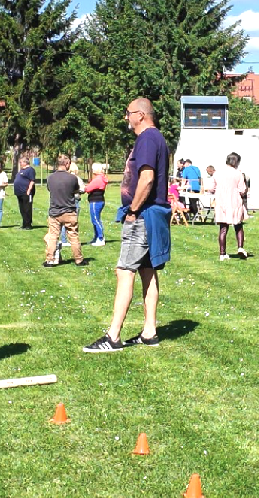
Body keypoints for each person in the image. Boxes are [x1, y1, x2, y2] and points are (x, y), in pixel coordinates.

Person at [82, 97, 171, 353]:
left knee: (124, 271)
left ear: (140, 115)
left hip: (143, 215)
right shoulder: (157, 138)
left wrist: (132, 210)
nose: (126, 118)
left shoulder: (147, 138)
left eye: (128, 113)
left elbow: (147, 178)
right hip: (152, 214)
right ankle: (149, 332)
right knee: (147, 270)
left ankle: (113, 336)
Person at [43, 155, 86, 267]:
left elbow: (49, 189)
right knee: (73, 236)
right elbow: (76, 190)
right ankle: (79, 259)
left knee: (53, 236)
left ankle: (50, 259)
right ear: (67, 164)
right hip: (69, 211)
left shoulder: (50, 178)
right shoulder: (72, 178)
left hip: (54, 211)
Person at [212, 152, 248, 261]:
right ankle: (240, 247)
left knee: (223, 229)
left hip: (221, 202)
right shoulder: (238, 174)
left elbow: (212, 188)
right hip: (234, 202)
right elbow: (242, 190)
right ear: (236, 162)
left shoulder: (217, 173)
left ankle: (222, 254)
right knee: (238, 226)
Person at [83, 163, 109, 246]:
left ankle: (101, 238)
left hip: (95, 201)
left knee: (95, 220)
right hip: (99, 200)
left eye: (93, 169)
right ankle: (96, 237)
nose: (92, 170)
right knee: (95, 219)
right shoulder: (102, 178)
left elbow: (88, 189)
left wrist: (85, 187)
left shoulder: (98, 179)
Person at [13, 156, 36, 230]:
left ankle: (28, 224)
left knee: (27, 208)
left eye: (21, 162)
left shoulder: (30, 170)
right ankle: (24, 224)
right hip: (19, 193)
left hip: (26, 192)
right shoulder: (21, 170)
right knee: (22, 208)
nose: (20, 163)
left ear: (25, 162)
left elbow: (32, 181)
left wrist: (29, 190)